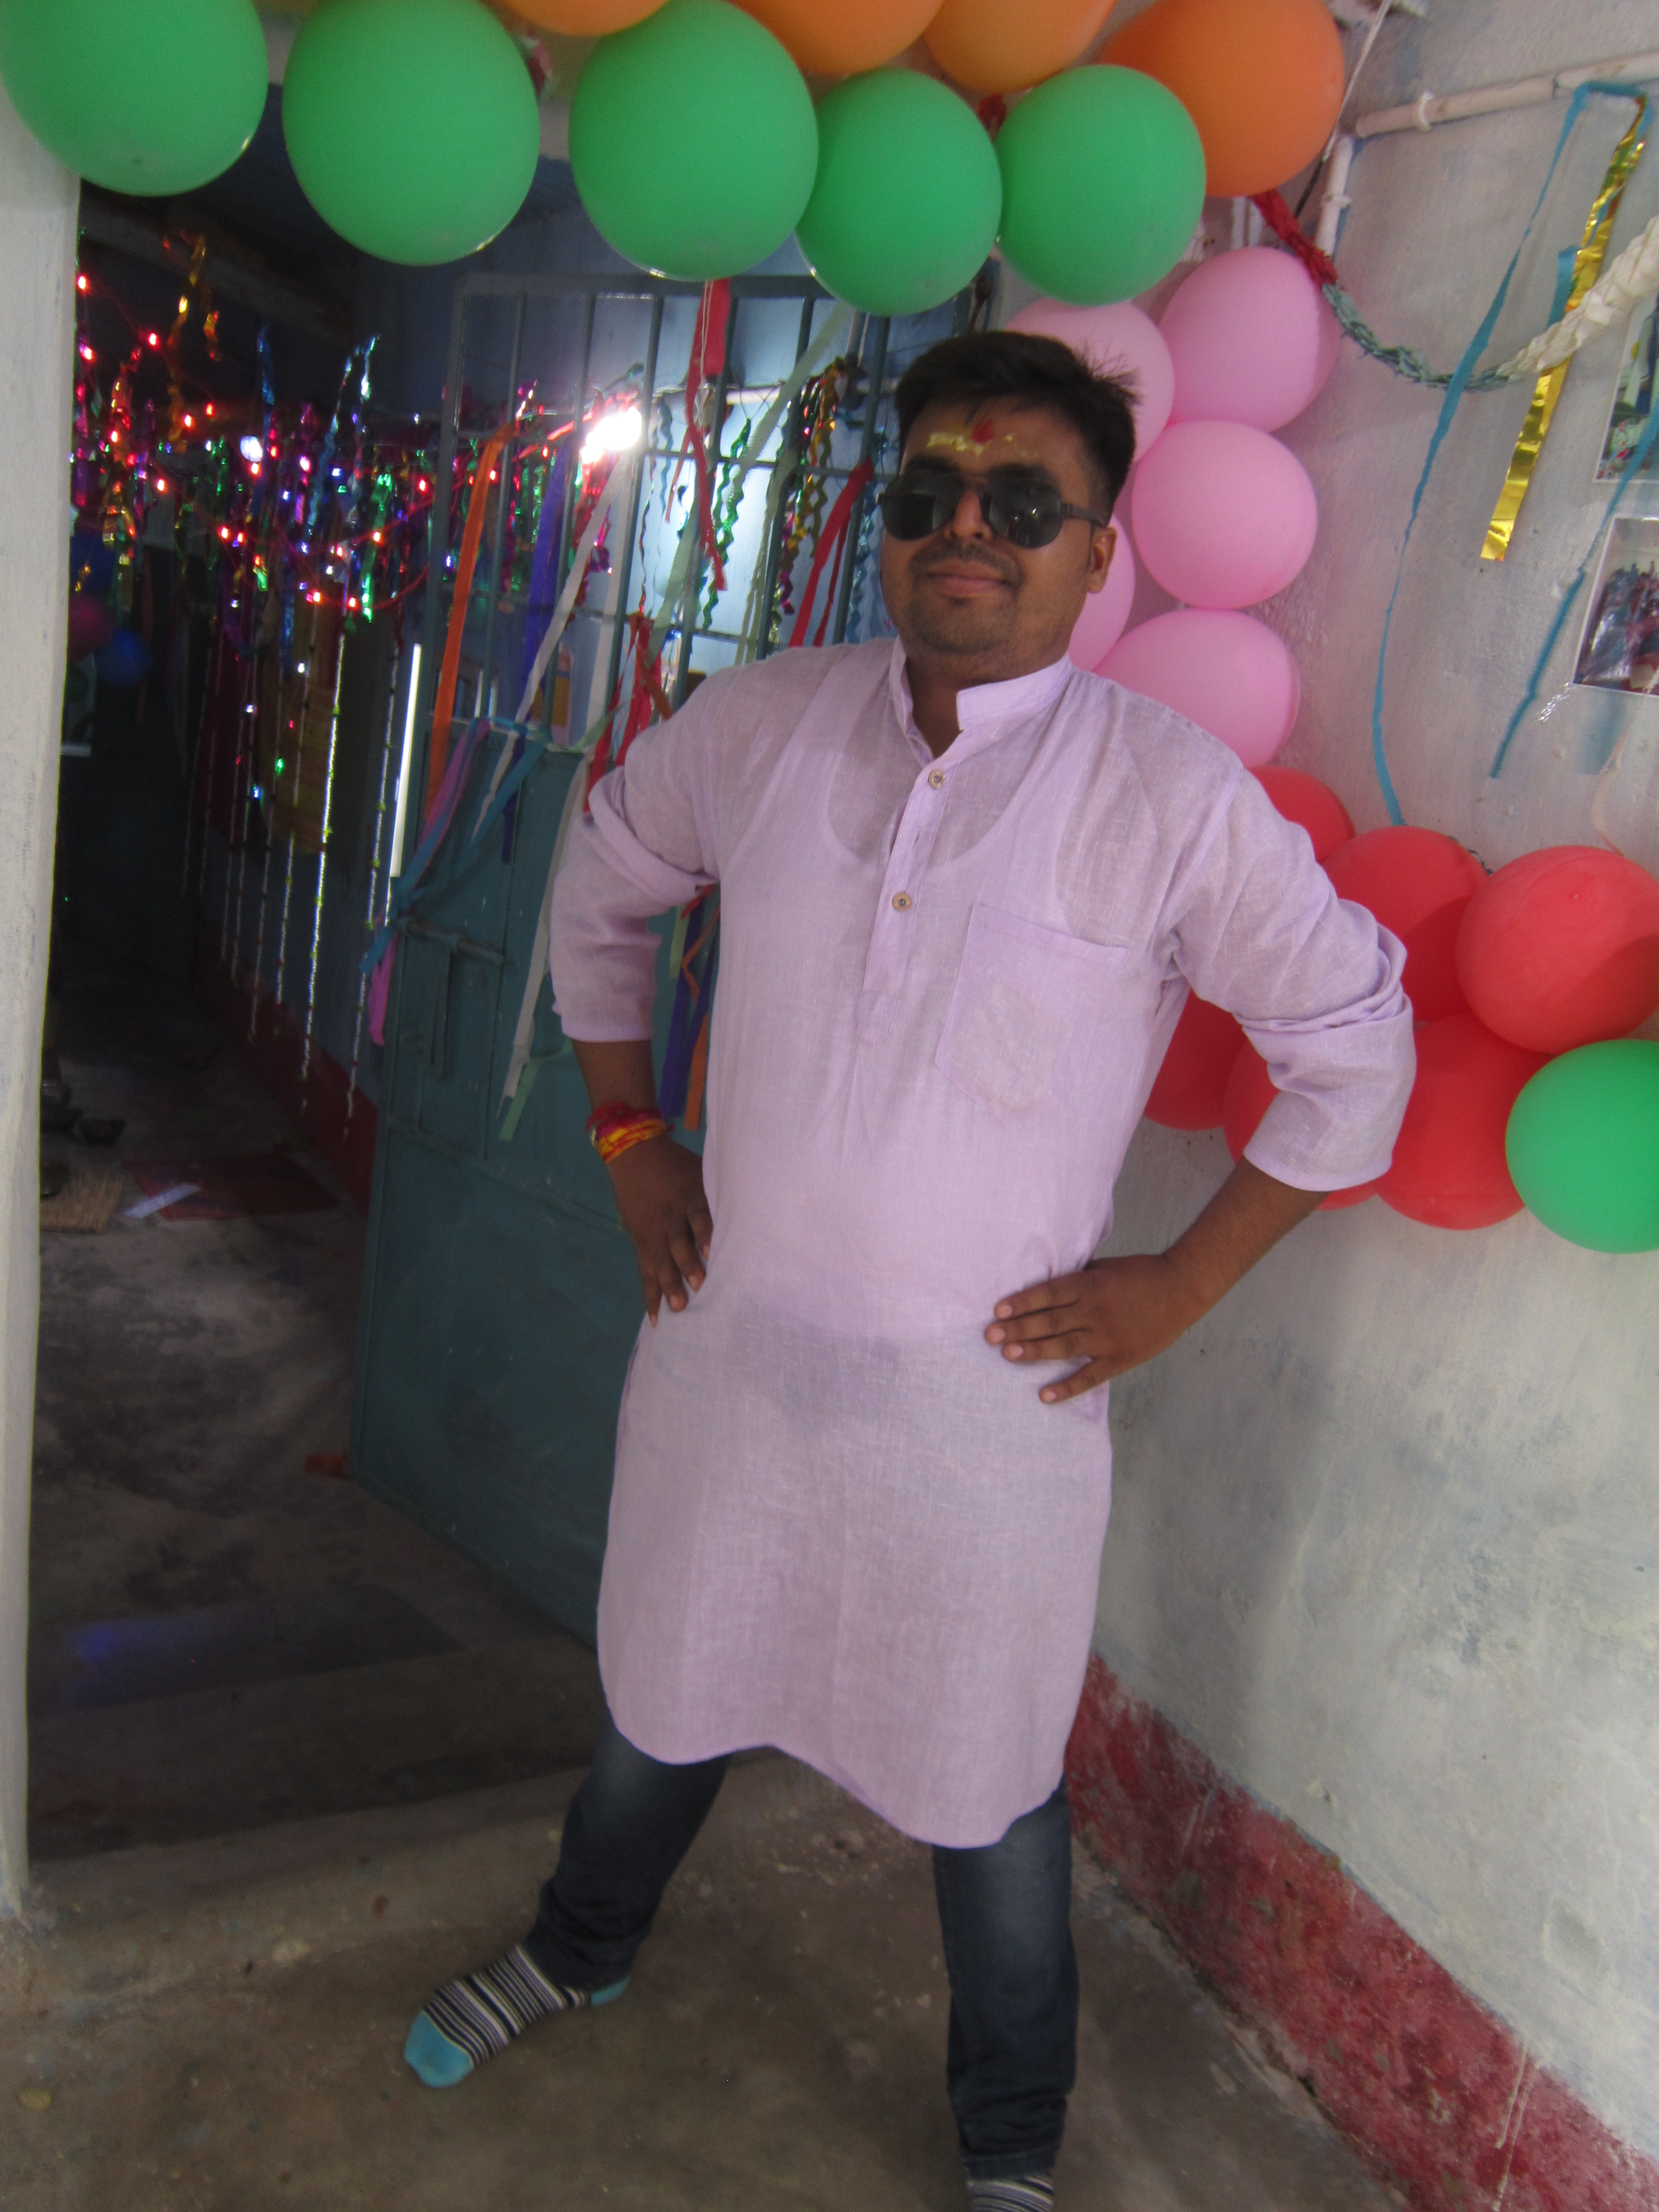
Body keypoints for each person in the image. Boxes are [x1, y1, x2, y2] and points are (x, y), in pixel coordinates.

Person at [403, 331, 1414, 2206]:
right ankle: (579, 1947)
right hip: (733, 1366)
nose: (969, 529)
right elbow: (603, 886)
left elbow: (1360, 1049)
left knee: (992, 1790)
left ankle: (1009, 2146)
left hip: (982, 1419)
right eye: (930, 492)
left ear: (1098, 554)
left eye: (1024, 504)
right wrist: (629, 1140)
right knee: (665, 1699)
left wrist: (1181, 1286)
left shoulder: (1166, 793)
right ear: (886, 526)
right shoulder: (766, 723)